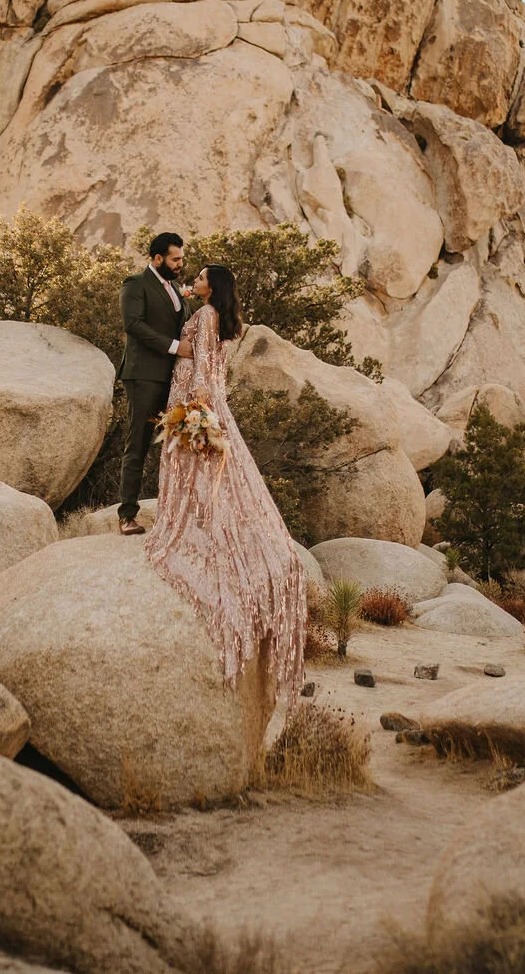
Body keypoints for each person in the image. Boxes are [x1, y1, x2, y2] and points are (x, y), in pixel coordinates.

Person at [145, 264, 307, 707]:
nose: (195, 281)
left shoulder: (207, 314)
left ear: (212, 286)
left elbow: (203, 363)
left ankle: (187, 518)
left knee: (188, 459)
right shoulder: (217, 315)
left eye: (200, 277)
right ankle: (194, 510)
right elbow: (215, 365)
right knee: (199, 464)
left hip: (192, 391)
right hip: (203, 391)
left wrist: (197, 404)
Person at [117, 231, 190, 535]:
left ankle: (174, 514)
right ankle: (127, 515)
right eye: (175, 259)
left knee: (176, 446)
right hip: (144, 376)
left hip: (173, 379)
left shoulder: (174, 289)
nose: (180, 264)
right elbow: (133, 325)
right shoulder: (135, 284)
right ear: (157, 258)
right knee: (138, 443)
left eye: (181, 258)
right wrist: (175, 347)